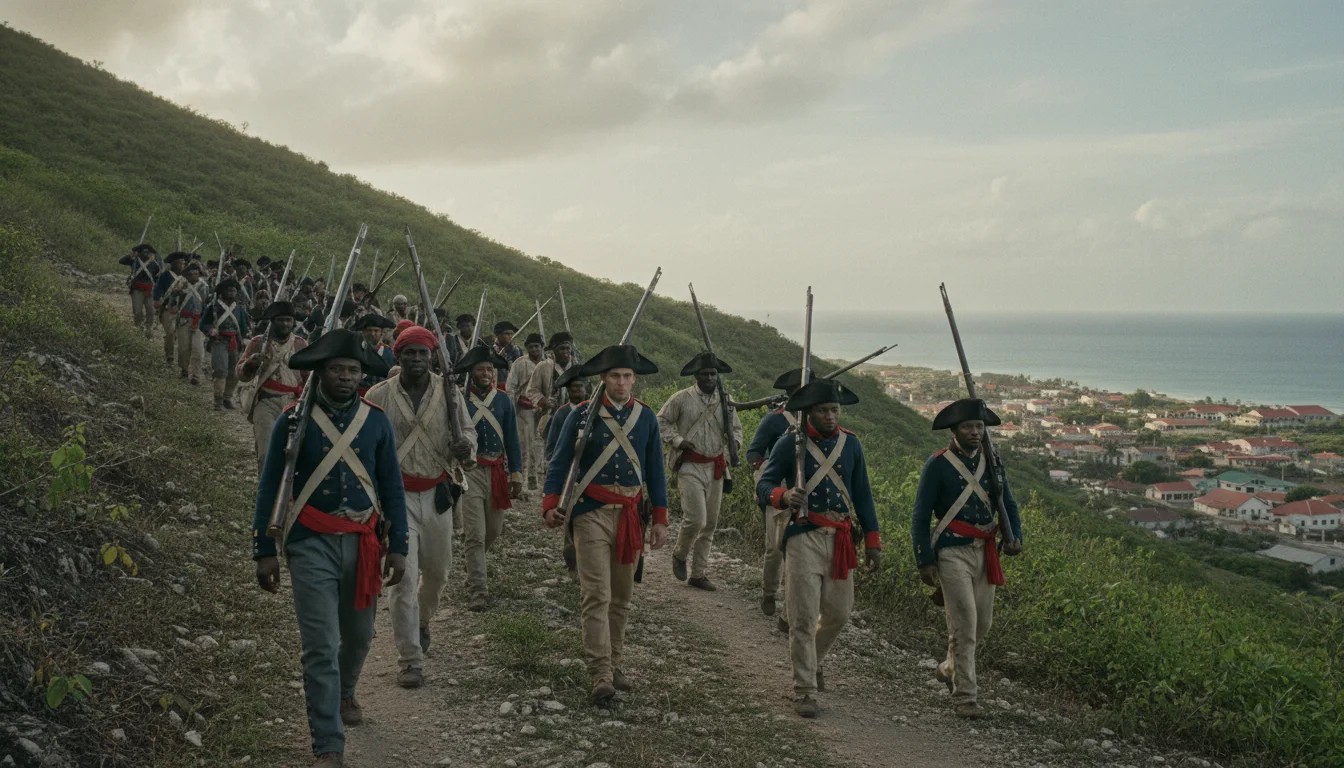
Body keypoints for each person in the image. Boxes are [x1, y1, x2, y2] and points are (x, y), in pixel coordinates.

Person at [252, 329, 405, 768]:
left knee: (358, 637)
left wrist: (399, 547)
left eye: (353, 370)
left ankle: (346, 691)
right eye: (336, 369)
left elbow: (391, 486)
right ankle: (328, 744)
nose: (345, 377)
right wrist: (264, 548)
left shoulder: (375, 421)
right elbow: (270, 489)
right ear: (320, 372)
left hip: (364, 542)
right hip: (309, 542)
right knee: (319, 645)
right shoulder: (292, 419)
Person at [542, 344, 668, 704]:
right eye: (615, 376)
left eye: (628, 376)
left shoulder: (645, 418)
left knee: (622, 597)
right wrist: (551, 502)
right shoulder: (581, 414)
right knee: (595, 594)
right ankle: (599, 672)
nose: (622, 382)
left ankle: (614, 662)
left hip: (630, 513)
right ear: (603, 378)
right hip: (590, 511)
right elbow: (560, 460)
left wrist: (659, 517)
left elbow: (655, 470)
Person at [756, 379, 881, 718]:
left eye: (835, 410)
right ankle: (804, 689)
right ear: (810, 412)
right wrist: (782, 496)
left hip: (840, 537)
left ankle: (814, 662)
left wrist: (873, 541)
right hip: (803, 536)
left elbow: (863, 495)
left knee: (839, 614)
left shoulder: (851, 445)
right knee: (803, 615)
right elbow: (764, 485)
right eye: (823, 410)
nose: (830, 416)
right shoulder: (789, 444)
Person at [365, 325, 475, 689]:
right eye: (409, 353)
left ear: (432, 357)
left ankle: (422, 622)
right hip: (395, 501)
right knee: (403, 578)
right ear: (397, 356)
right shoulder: (378, 395)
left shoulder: (450, 393)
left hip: (437, 494)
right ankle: (410, 658)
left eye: (422, 353)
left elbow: (468, 433)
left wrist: (466, 449)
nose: (416, 359)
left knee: (438, 573)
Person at [911, 398, 1023, 719]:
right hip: (951, 551)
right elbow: (920, 516)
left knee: (982, 624)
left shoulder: (993, 462)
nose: (975, 432)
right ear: (954, 430)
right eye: (968, 427)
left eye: (979, 426)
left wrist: (1014, 537)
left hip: (985, 551)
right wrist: (924, 560)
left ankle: (949, 667)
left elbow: (1008, 505)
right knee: (964, 622)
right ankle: (966, 696)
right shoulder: (938, 464)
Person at [658, 352, 743, 592]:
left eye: (713, 373)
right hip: (689, 466)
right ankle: (679, 554)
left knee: (710, 524)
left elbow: (735, 428)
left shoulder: (726, 400)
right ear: (696, 376)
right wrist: (677, 440)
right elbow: (661, 421)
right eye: (705, 374)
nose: (709, 378)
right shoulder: (681, 398)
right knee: (696, 519)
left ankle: (698, 574)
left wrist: (735, 444)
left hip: (716, 467)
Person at [454, 346, 524, 611]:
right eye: (481, 369)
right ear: (471, 372)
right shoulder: (458, 399)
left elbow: (512, 441)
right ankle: (478, 589)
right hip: (469, 471)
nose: (485, 373)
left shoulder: (504, 400)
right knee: (475, 533)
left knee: (493, 531)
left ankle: (474, 563)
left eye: (489, 369)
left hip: (496, 471)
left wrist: (515, 473)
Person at [746, 368, 811, 619]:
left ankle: (790, 611)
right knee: (775, 548)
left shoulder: (817, 422)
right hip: (778, 491)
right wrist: (768, 480)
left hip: (806, 495)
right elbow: (754, 453)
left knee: (800, 554)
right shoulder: (774, 420)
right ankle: (769, 592)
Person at [236, 301, 309, 472]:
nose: (285, 324)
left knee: (293, 452)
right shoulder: (258, 342)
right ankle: (266, 492)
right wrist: (251, 363)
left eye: (288, 320)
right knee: (266, 452)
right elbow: (241, 374)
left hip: (294, 404)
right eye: (281, 320)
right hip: (266, 402)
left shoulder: (300, 344)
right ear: (272, 321)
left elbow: (308, 377)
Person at [543, 366, 589, 574]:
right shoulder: (562, 414)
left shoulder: (593, 411)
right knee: (570, 518)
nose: (577, 392)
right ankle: (572, 560)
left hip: (588, 476)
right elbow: (552, 446)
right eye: (573, 389)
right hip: (569, 476)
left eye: (581, 388)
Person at [200, 278, 251, 410]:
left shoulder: (239, 308)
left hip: (235, 341)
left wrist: (246, 336)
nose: (232, 292)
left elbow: (243, 326)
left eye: (234, 290)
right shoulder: (214, 306)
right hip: (219, 341)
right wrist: (210, 330)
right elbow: (203, 324)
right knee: (220, 370)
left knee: (234, 372)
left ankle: (227, 397)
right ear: (222, 292)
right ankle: (218, 400)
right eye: (229, 290)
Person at [506, 332, 546, 490]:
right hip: (524, 407)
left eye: (537, 346)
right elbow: (511, 386)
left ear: (542, 346)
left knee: (539, 443)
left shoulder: (548, 363)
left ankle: (535, 480)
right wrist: (513, 405)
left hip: (543, 409)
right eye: (531, 347)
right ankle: (520, 481)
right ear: (527, 348)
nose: (534, 349)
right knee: (524, 444)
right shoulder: (520, 363)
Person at [165, 261, 209, 386]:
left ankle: (195, 374)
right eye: (191, 274)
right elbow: (172, 304)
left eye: (196, 273)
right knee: (184, 348)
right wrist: (175, 294)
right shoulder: (181, 285)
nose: (194, 276)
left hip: (199, 320)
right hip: (184, 320)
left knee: (198, 350)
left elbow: (208, 304)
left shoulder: (205, 287)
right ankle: (184, 369)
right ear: (187, 276)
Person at [526, 331, 578, 436]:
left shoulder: (576, 367)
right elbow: (532, 390)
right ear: (554, 351)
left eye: (568, 348)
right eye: (562, 349)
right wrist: (544, 401)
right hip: (550, 417)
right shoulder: (543, 366)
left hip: (574, 414)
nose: (565, 352)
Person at [152, 251, 190, 364]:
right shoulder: (165, 275)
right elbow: (158, 288)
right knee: (169, 333)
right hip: (168, 308)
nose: (181, 265)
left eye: (183, 262)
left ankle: (183, 361)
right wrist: (157, 299)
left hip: (183, 309)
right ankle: (169, 355)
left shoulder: (187, 276)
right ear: (173, 264)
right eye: (179, 262)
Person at [119, 243, 160, 339]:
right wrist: (130, 255)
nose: (147, 254)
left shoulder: (154, 264)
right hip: (137, 290)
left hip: (149, 290)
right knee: (137, 311)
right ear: (140, 253)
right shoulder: (134, 262)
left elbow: (157, 278)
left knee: (150, 311)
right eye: (144, 252)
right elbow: (121, 261)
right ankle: (138, 328)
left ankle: (148, 329)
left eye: (148, 252)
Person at [350, 314, 397, 396]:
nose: (372, 334)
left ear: (382, 333)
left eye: (376, 331)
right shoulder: (355, 351)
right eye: (369, 330)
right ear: (363, 332)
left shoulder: (390, 353)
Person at [490, 321, 522, 387]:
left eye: (511, 334)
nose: (510, 337)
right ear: (497, 335)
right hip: (495, 386)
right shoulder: (490, 349)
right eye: (507, 334)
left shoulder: (517, 350)